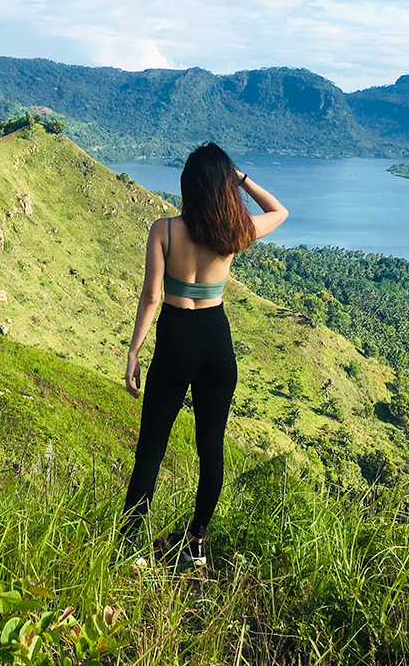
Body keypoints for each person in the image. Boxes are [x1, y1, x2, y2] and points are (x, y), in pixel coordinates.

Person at [122, 143, 287, 568]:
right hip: (216, 343)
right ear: (223, 185)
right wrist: (241, 178)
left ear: (188, 184)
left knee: (151, 449)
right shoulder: (233, 232)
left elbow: (152, 295)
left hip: (176, 341)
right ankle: (196, 542)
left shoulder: (165, 229)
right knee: (210, 450)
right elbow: (280, 211)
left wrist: (134, 351)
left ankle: (129, 546)